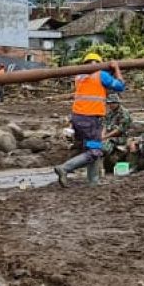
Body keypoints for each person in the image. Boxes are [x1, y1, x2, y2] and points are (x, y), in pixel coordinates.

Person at [54, 51, 125, 187]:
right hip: (90, 119)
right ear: (98, 64)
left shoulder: (79, 77)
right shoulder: (101, 75)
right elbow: (120, 86)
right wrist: (115, 68)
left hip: (77, 118)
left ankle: (93, 181)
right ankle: (65, 168)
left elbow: (96, 85)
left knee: (92, 149)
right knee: (95, 151)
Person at [101, 93, 134, 173]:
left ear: (117, 103)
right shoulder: (110, 113)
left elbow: (119, 130)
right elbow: (105, 125)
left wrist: (105, 137)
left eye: (113, 103)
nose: (110, 105)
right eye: (109, 103)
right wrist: (102, 136)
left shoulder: (124, 113)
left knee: (104, 147)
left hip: (122, 137)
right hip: (110, 136)